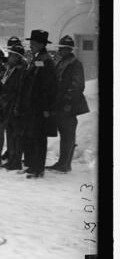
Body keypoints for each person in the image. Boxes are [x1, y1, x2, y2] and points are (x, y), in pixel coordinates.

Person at [17, 29, 58, 179]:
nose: (31, 45)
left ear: (42, 44)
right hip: (31, 106)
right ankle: (32, 165)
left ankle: (38, 168)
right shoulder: (37, 58)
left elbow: (49, 87)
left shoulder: (46, 61)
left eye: (34, 43)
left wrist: (47, 108)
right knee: (31, 136)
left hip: (40, 107)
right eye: (31, 43)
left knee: (39, 138)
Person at [48, 35, 89, 173]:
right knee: (64, 134)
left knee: (68, 135)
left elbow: (77, 86)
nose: (62, 50)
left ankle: (65, 164)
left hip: (69, 106)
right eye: (61, 48)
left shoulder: (75, 64)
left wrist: (68, 102)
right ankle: (62, 162)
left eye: (65, 48)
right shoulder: (60, 62)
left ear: (70, 49)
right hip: (60, 104)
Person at [0, 44, 27, 171]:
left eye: (11, 55)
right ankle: (12, 159)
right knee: (10, 133)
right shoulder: (10, 69)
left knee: (16, 135)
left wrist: (17, 106)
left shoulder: (20, 71)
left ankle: (16, 160)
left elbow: (19, 91)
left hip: (15, 106)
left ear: (17, 57)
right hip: (7, 105)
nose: (8, 57)